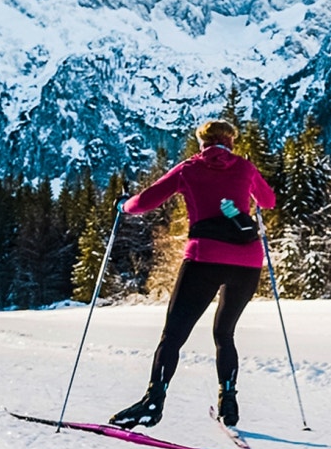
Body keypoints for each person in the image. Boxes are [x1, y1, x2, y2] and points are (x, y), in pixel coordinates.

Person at [109, 119, 276, 429]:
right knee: (224, 334)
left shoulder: (189, 168)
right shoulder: (245, 168)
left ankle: (153, 402)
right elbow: (269, 201)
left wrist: (122, 206)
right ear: (231, 143)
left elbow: (145, 202)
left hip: (204, 259)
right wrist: (248, 186)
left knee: (173, 336)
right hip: (248, 263)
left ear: (203, 143)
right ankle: (229, 402)